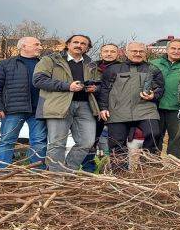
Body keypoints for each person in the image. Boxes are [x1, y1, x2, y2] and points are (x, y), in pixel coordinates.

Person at [33, 34, 100, 172]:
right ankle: (56, 178)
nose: (79, 45)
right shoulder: (50, 60)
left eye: (83, 43)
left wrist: (95, 88)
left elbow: (99, 83)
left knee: (87, 142)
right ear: (68, 44)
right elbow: (38, 80)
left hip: (86, 106)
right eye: (76, 42)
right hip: (58, 106)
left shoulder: (91, 64)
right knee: (57, 144)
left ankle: (68, 172)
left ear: (87, 48)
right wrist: (67, 86)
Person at [0, 37, 47, 169]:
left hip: (38, 110)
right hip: (13, 110)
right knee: (7, 141)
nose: (40, 47)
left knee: (39, 142)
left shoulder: (45, 64)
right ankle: (0, 171)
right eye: (36, 44)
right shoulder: (6, 64)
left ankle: (38, 174)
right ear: (23, 46)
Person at [98, 42, 164, 163]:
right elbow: (104, 89)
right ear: (126, 52)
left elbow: (160, 88)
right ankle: (120, 173)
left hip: (145, 109)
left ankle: (147, 167)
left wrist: (153, 95)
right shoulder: (113, 69)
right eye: (134, 51)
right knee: (116, 143)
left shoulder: (153, 69)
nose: (138, 54)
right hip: (118, 111)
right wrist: (103, 107)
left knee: (154, 134)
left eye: (141, 51)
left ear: (145, 53)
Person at [151, 39, 180, 160]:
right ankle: (151, 165)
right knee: (154, 136)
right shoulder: (153, 63)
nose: (176, 51)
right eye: (173, 48)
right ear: (167, 49)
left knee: (176, 138)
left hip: (178, 108)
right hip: (155, 107)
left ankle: (174, 166)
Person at [81, 43, 121, 172]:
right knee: (92, 139)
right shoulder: (91, 66)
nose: (109, 54)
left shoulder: (123, 67)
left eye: (112, 51)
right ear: (101, 53)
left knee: (116, 140)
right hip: (94, 107)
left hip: (117, 107)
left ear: (118, 53)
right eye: (106, 51)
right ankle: (89, 168)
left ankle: (116, 168)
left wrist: (97, 88)